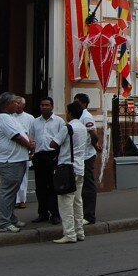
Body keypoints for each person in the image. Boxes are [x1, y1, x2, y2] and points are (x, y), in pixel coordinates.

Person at [50, 102, 89, 244]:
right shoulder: (83, 128)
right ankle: (80, 232)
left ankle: (70, 234)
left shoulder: (68, 127)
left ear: (70, 113)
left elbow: (53, 144)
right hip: (79, 168)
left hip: (67, 169)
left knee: (66, 203)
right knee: (78, 202)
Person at [0, 92, 34, 233]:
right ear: (8, 104)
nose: (18, 105)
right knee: (8, 192)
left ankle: (11, 217)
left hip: (18, 159)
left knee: (13, 192)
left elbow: (23, 133)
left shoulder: (12, 118)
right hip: (10, 161)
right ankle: (4, 222)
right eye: (15, 102)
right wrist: (29, 145)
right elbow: (16, 136)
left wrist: (30, 143)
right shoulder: (3, 118)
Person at [29, 97, 64, 225]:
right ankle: (42, 213)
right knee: (40, 187)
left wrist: (58, 155)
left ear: (52, 106)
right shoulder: (34, 122)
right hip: (39, 156)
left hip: (52, 156)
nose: (44, 107)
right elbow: (31, 138)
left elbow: (62, 139)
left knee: (53, 186)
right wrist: (32, 153)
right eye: (42, 105)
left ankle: (55, 214)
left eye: (47, 105)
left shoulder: (59, 121)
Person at [74, 93, 99, 225]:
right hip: (79, 155)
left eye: (77, 102)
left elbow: (93, 134)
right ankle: (81, 213)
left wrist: (95, 145)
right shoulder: (78, 115)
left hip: (87, 155)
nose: (75, 104)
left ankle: (89, 215)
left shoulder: (86, 116)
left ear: (84, 104)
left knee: (88, 185)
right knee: (81, 185)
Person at [13, 97, 35, 209]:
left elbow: (32, 134)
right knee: (13, 177)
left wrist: (32, 150)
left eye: (18, 103)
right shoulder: (10, 117)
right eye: (15, 103)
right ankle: (14, 199)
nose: (16, 105)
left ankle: (22, 199)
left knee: (24, 177)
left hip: (25, 150)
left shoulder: (30, 118)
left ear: (23, 105)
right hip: (13, 151)